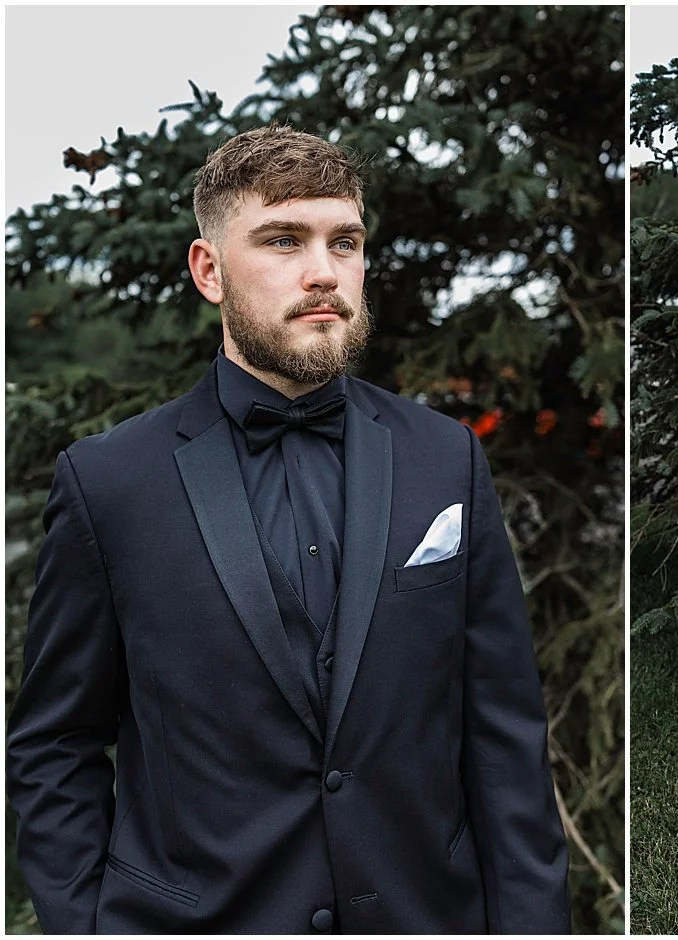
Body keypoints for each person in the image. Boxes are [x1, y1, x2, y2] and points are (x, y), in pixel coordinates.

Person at [7, 126, 570, 933]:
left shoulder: (445, 458)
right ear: (209, 271)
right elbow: (55, 744)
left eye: (345, 242)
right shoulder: (109, 483)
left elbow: (504, 733)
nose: (323, 273)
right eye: (282, 241)